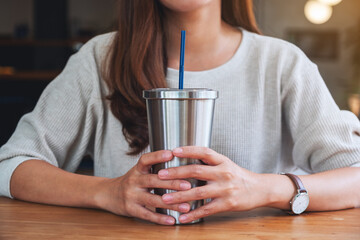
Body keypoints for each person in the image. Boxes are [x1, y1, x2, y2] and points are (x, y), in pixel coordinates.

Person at [0, 0, 359, 225]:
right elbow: (10, 164)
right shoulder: (100, 58)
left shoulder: (281, 62)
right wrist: (106, 192)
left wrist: (263, 188)